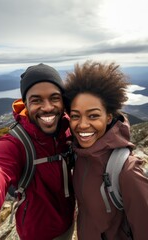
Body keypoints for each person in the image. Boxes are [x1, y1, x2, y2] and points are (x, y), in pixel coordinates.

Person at [0, 63, 75, 240]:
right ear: (26, 104)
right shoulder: (15, 144)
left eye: (54, 98)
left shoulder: (69, 129)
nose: (48, 107)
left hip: (68, 223)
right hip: (37, 234)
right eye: (36, 100)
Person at [64, 60, 148, 240]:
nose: (83, 124)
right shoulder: (80, 156)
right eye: (75, 116)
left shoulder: (127, 171)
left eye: (93, 115)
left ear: (109, 117)